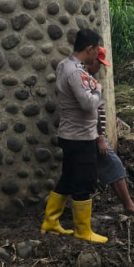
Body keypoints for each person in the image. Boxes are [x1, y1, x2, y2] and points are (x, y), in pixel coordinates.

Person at [42, 28, 108, 243]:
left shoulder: (64, 65)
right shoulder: (75, 71)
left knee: (68, 178)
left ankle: (51, 222)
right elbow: (88, 102)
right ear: (89, 49)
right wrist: (98, 89)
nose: (96, 54)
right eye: (96, 50)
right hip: (80, 137)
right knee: (84, 181)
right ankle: (83, 230)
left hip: (70, 134)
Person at [89, 48, 134, 217]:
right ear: (92, 60)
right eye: (99, 64)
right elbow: (91, 112)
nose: (99, 68)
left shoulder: (88, 80)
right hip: (92, 135)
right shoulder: (86, 81)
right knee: (114, 165)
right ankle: (129, 206)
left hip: (91, 134)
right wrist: (100, 137)